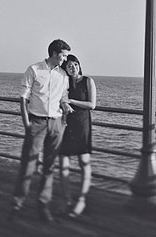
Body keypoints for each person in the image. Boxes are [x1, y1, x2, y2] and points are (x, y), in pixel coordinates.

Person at [10, 38, 73, 223]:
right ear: (54, 53)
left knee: (49, 166)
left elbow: (63, 97)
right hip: (36, 122)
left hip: (56, 123)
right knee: (28, 163)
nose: (65, 59)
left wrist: (66, 107)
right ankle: (17, 203)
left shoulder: (63, 75)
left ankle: (43, 205)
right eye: (63, 55)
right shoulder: (34, 69)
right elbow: (23, 98)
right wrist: (27, 124)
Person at [59, 54, 96, 217]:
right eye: (69, 65)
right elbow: (59, 98)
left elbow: (92, 105)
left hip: (82, 123)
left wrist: (71, 101)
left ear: (79, 65)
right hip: (66, 124)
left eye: (75, 64)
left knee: (84, 162)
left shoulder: (88, 81)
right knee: (63, 163)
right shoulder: (64, 83)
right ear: (65, 69)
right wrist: (64, 102)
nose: (73, 67)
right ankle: (67, 200)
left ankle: (81, 200)